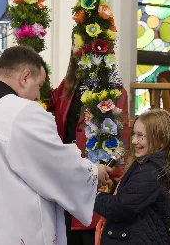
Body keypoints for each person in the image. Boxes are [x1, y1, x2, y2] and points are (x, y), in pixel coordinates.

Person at [0, 45, 112, 245]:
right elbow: (56, 165)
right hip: (9, 231)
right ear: (24, 77)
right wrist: (93, 172)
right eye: (39, 85)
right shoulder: (23, 112)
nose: (39, 96)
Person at [51, 53, 130, 245]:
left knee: (89, 233)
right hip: (66, 178)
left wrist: (112, 174)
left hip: (96, 180)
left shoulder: (115, 91)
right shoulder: (67, 87)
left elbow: (120, 139)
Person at [94, 109, 170, 245]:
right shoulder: (146, 165)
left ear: (161, 141)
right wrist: (113, 186)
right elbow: (133, 194)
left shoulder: (151, 170)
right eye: (134, 134)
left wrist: (95, 197)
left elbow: (121, 207)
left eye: (141, 136)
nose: (134, 141)